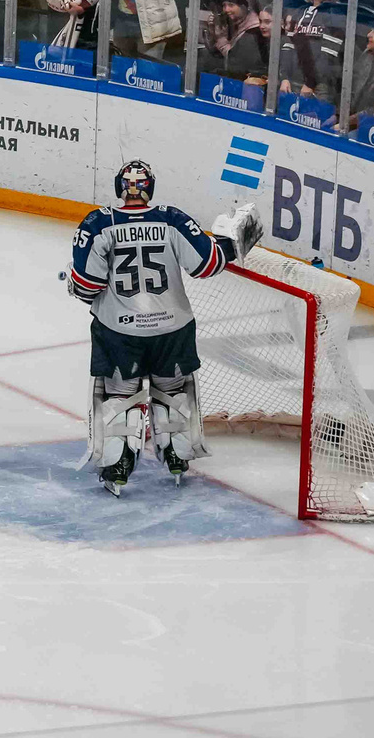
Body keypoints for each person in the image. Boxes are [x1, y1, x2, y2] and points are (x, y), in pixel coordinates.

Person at [69, 161, 259, 495]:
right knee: (172, 390)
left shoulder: (98, 223)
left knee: (120, 395)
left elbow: (87, 286)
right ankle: (176, 455)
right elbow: (207, 264)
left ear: (119, 187)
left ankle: (117, 465)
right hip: (173, 328)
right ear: (151, 188)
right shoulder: (172, 218)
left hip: (120, 331)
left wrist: (73, 282)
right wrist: (232, 243)